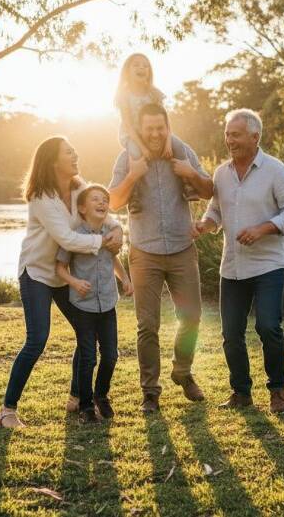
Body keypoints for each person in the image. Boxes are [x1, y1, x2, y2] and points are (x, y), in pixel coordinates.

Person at [0, 137, 123, 429]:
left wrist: (117, 229)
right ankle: (7, 410)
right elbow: (66, 239)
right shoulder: (41, 197)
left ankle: (76, 397)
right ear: (53, 161)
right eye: (69, 152)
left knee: (86, 334)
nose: (75, 154)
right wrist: (103, 241)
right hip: (39, 274)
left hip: (67, 276)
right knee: (37, 339)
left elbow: (103, 209)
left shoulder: (80, 188)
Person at [192, 109, 284, 414]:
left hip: (269, 263)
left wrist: (262, 228)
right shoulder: (221, 174)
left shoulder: (276, 171)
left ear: (255, 137)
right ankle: (241, 392)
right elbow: (215, 210)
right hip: (233, 266)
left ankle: (277, 390)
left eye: (236, 134)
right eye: (228, 134)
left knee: (268, 326)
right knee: (231, 333)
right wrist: (205, 225)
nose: (230, 140)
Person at [108, 103, 214, 413]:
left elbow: (208, 191)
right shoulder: (126, 158)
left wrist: (189, 172)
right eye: (149, 128)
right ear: (139, 129)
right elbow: (113, 201)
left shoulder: (182, 151)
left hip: (182, 249)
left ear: (167, 127)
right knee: (148, 325)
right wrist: (133, 175)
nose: (155, 133)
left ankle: (182, 371)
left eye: (160, 127)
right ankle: (150, 393)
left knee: (192, 317)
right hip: (145, 253)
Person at [56, 184, 133, 424]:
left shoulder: (111, 231)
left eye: (105, 200)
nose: (102, 203)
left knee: (110, 355)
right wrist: (74, 282)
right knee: (88, 357)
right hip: (83, 306)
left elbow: (113, 259)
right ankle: (86, 406)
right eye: (95, 199)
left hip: (108, 304)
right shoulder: (75, 236)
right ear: (81, 208)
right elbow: (60, 267)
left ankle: (101, 395)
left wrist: (126, 280)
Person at [114, 53, 199, 212]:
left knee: (178, 145)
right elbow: (127, 125)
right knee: (134, 153)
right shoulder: (124, 95)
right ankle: (135, 197)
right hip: (132, 135)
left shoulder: (153, 93)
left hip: (156, 131)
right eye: (137, 65)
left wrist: (167, 141)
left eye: (145, 66)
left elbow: (165, 120)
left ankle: (187, 184)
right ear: (127, 71)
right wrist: (143, 148)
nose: (142, 68)